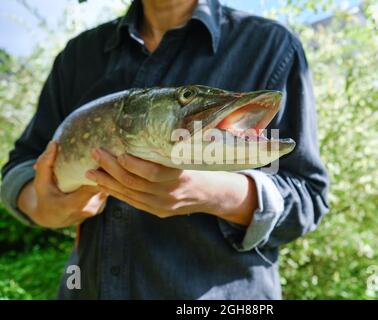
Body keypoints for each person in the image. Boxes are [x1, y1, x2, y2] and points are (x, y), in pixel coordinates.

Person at [1, 0, 329, 299]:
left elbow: (309, 196)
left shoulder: (270, 46)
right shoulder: (79, 55)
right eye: (187, 97)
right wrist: (45, 206)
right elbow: (20, 170)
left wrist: (212, 193)